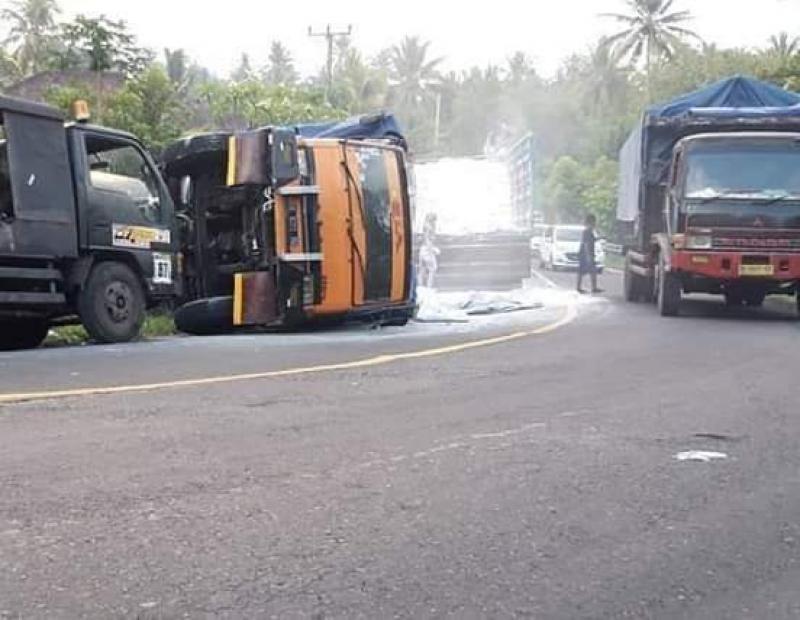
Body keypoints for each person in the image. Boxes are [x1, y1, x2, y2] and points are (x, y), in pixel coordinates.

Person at [577, 214, 602, 294]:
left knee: (592, 271)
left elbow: (592, 240)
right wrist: (588, 256)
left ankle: (593, 287)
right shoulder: (587, 231)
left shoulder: (590, 231)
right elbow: (586, 243)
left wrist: (600, 238)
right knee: (583, 271)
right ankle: (579, 287)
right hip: (586, 253)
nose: (595, 224)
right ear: (591, 222)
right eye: (594, 222)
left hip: (588, 253)